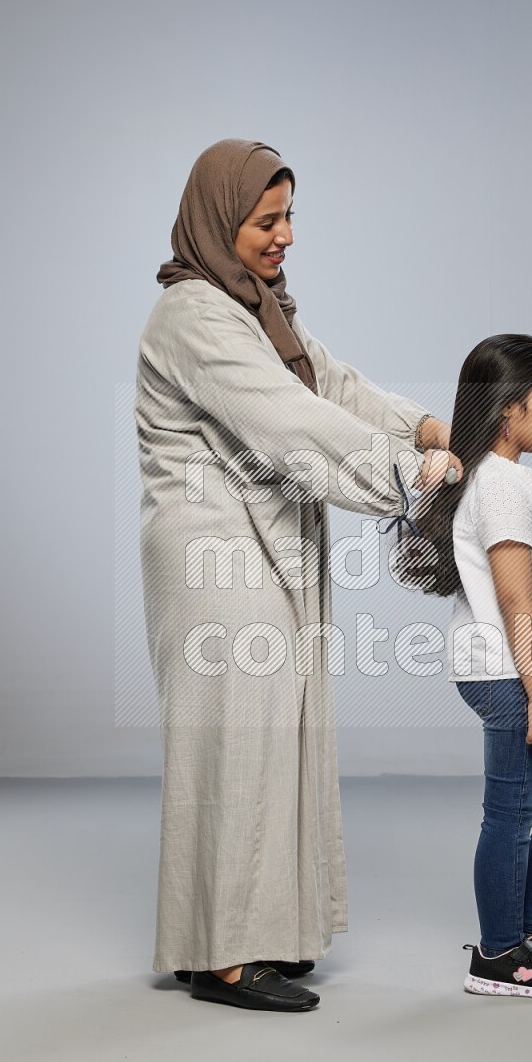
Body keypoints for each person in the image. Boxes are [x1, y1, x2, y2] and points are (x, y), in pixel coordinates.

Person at [134, 138, 462, 1012]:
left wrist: (427, 424)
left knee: (279, 738)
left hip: (261, 543)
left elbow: (333, 387)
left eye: (289, 219)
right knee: (235, 742)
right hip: (215, 554)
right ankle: (224, 957)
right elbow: (288, 426)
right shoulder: (195, 316)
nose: (284, 236)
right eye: (265, 220)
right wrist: (408, 473)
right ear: (218, 220)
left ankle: (260, 934)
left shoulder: (256, 308)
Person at [393, 334, 532, 998]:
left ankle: (524, 937)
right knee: (510, 815)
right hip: (517, 677)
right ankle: (501, 956)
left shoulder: (498, 480)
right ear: (509, 411)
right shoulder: (503, 487)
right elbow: (516, 597)